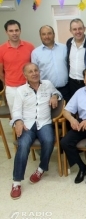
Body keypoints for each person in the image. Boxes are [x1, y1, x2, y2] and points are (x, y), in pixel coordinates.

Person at [10, 63, 62, 199]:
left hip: (44, 122)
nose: (34, 73)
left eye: (36, 70)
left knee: (49, 140)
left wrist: (55, 96)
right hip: (27, 124)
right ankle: (16, 182)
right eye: (30, 71)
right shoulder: (21, 90)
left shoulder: (47, 84)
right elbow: (16, 110)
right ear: (25, 75)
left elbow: (58, 92)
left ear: (39, 72)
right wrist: (18, 121)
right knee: (23, 146)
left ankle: (41, 169)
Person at [0, 20, 34, 113]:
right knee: (16, 116)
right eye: (11, 31)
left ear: (20, 31)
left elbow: (34, 68)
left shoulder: (30, 46)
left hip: (28, 86)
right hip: (12, 89)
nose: (14, 33)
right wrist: (9, 82)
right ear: (6, 32)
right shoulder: (1, 49)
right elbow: (0, 73)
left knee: (30, 113)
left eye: (16, 30)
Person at [31, 25, 69, 102]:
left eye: (49, 33)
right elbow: (34, 73)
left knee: (68, 112)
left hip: (66, 89)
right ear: (40, 36)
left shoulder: (64, 48)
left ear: (54, 34)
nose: (47, 36)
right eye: (44, 34)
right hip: (47, 91)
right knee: (50, 114)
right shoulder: (35, 53)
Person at [66, 18, 86, 99]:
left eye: (80, 28)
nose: (78, 31)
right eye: (74, 29)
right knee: (75, 107)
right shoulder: (69, 42)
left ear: (84, 29)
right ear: (71, 31)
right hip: (72, 82)